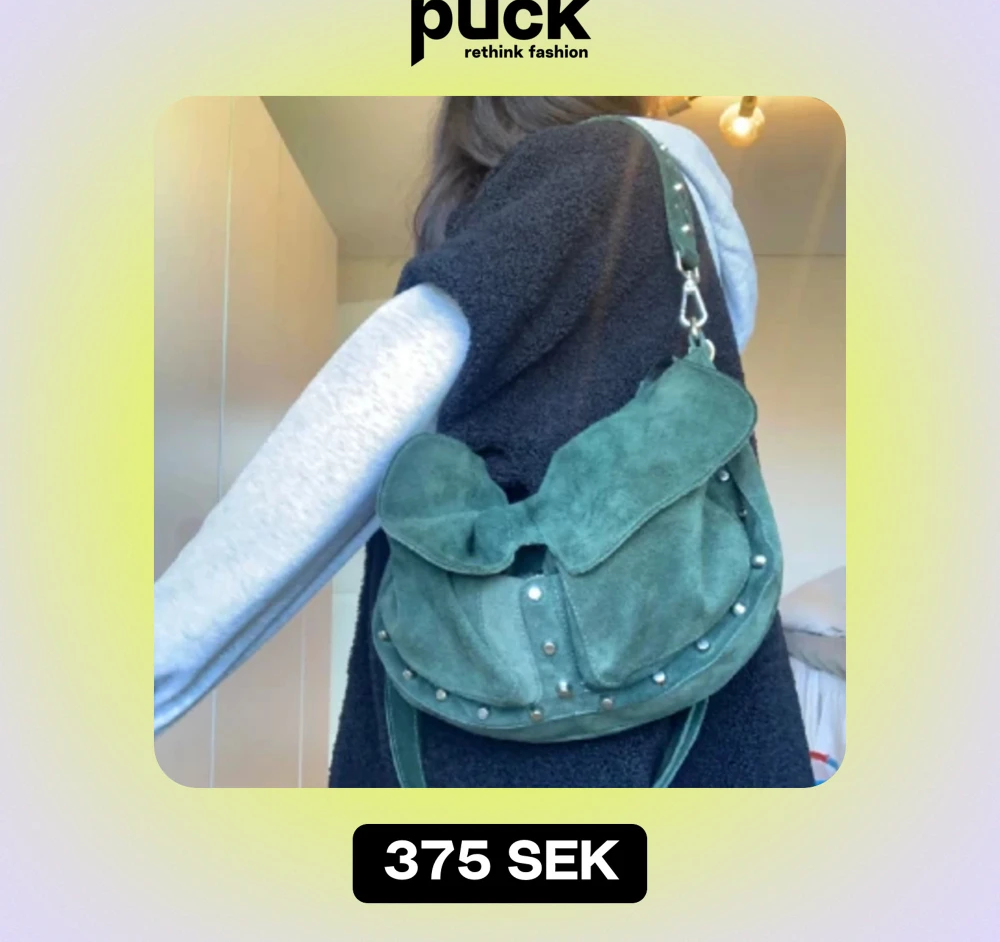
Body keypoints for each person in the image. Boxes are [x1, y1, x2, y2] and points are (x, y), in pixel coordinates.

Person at [328, 96, 814, 788]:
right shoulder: (659, 224)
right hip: (672, 688)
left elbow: (361, 416)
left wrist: (180, 640)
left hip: (504, 745)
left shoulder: (597, 164)